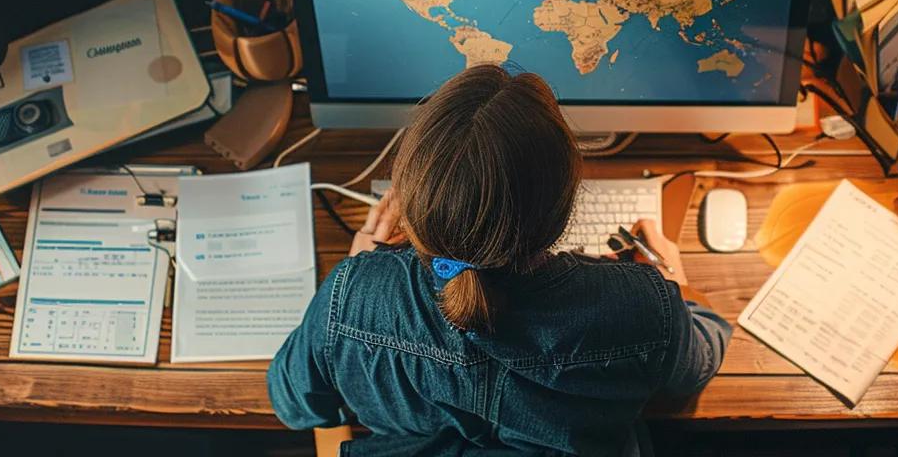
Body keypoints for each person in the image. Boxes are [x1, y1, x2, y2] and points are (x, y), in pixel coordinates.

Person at [268, 65, 732, 455]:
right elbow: (695, 368)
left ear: (415, 205)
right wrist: (675, 283)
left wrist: (363, 267)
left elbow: (293, 405)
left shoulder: (352, 296)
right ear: (564, 205)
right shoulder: (640, 307)